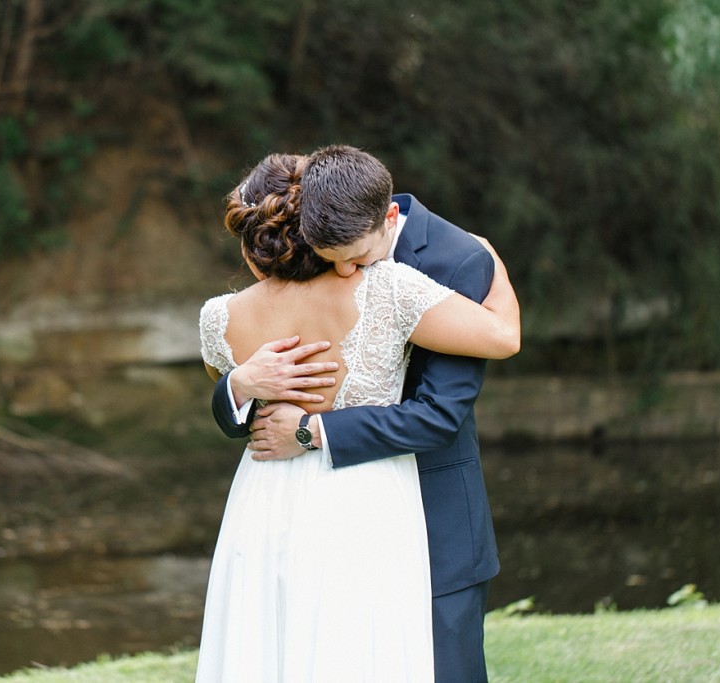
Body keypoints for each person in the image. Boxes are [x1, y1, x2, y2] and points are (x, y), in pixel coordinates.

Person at [196, 151, 519, 682]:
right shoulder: (385, 287)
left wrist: (280, 409)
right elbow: (505, 336)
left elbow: (439, 414)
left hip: (270, 504)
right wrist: (242, 383)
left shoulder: (220, 316)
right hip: (363, 502)